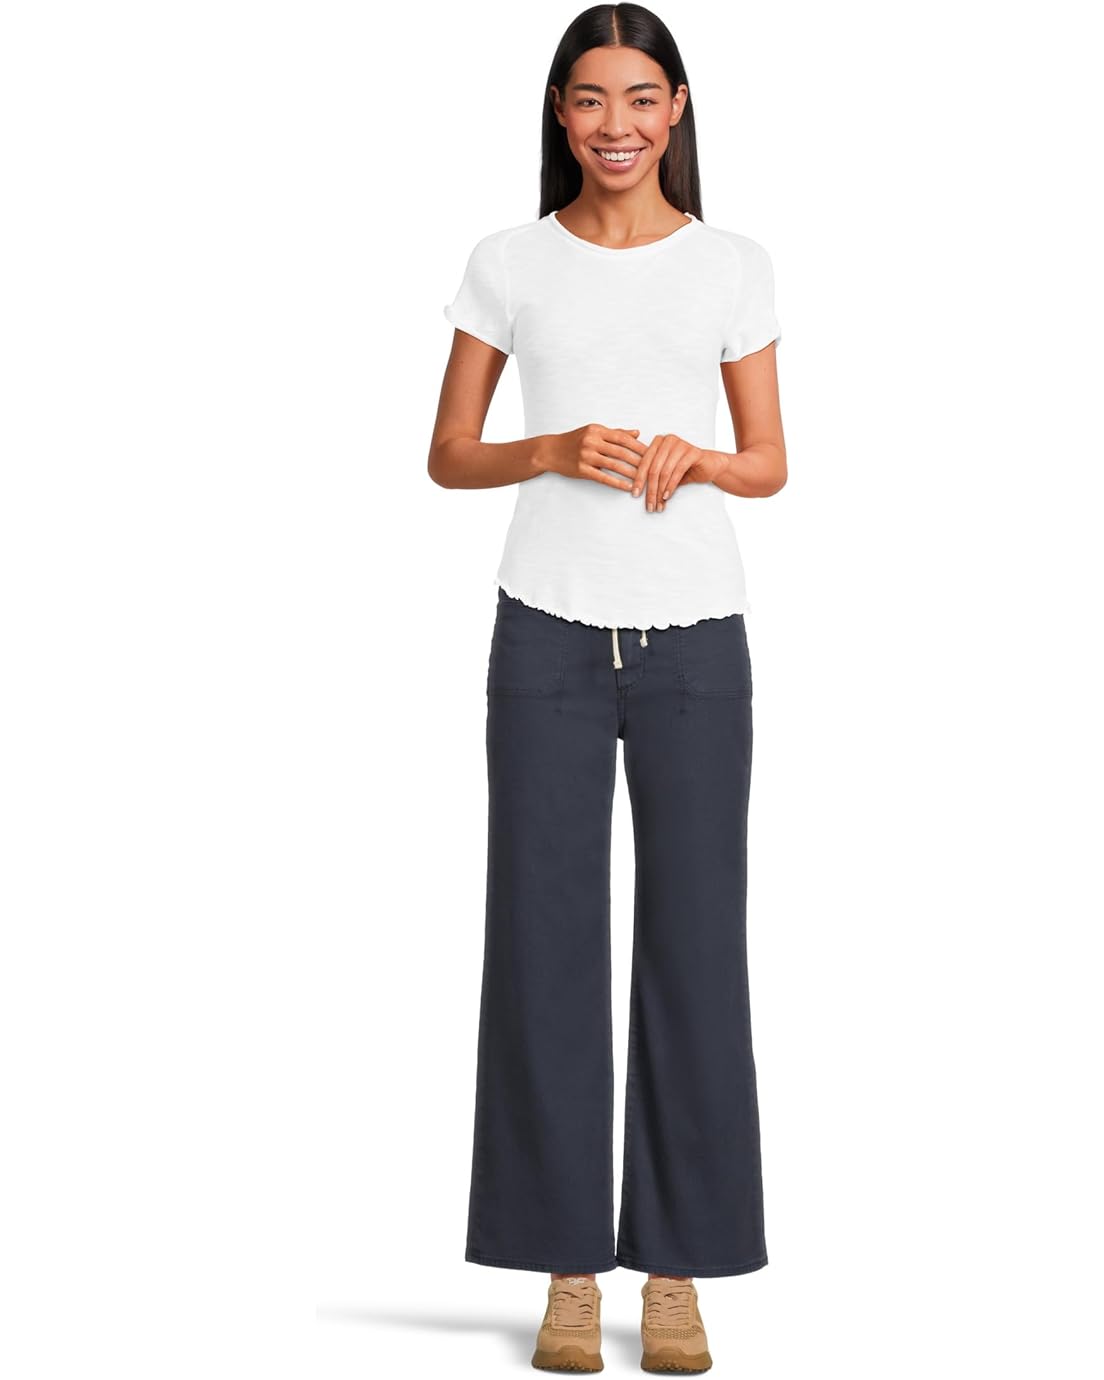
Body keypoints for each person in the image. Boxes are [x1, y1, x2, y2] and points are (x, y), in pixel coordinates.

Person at [428, 5, 785, 1372]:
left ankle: (677, 1272)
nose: (616, 125)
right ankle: (569, 1268)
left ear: (677, 108)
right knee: (543, 942)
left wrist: (701, 459)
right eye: (591, 99)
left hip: (696, 642)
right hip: (547, 637)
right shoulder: (508, 262)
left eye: (641, 98)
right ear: (560, 113)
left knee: (695, 947)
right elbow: (449, 453)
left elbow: (770, 461)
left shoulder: (732, 264)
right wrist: (552, 445)